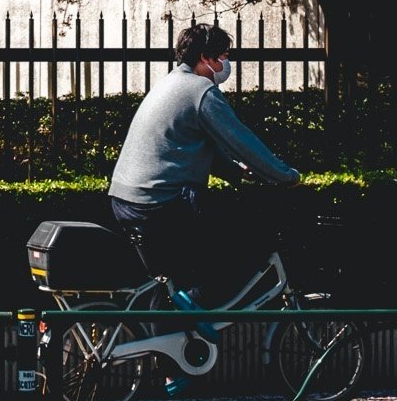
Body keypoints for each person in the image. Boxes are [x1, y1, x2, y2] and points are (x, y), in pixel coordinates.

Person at [108, 22, 300, 308]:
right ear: (204, 58)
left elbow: (195, 145)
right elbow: (242, 141)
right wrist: (285, 175)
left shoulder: (170, 83)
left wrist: (236, 172)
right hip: (159, 203)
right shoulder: (200, 90)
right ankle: (193, 319)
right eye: (222, 57)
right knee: (245, 242)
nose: (225, 64)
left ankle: (174, 321)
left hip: (127, 199)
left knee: (183, 272)